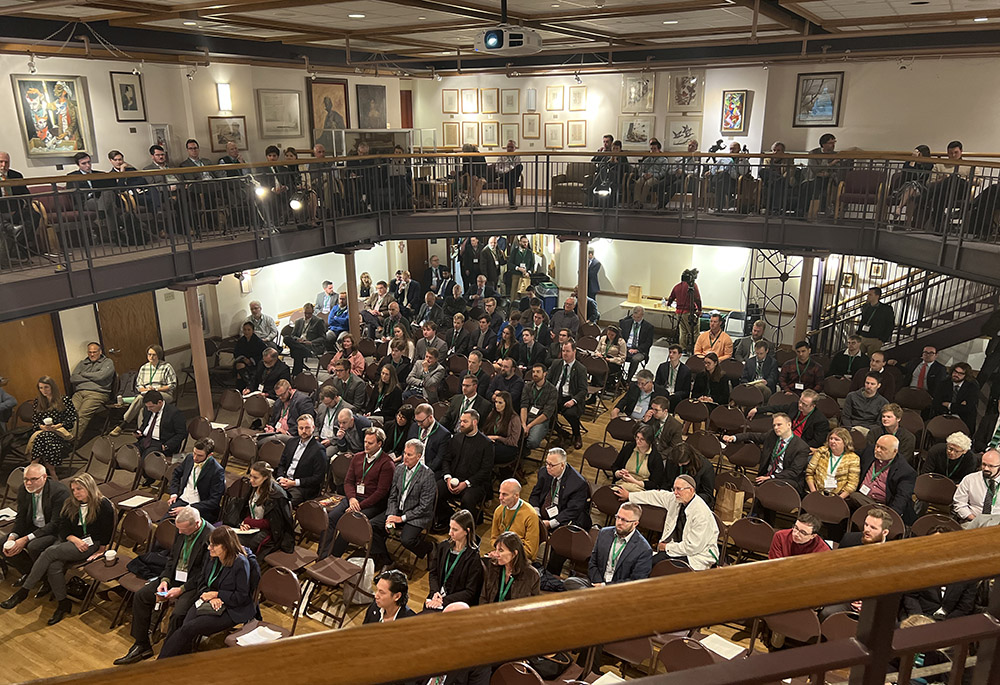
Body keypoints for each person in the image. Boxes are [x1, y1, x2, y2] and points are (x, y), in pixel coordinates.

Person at [1, 473, 114, 625]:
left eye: (79, 489)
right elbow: (63, 528)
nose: (75, 493)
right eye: (73, 489)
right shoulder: (70, 503)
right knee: (54, 565)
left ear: (89, 487)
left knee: (49, 552)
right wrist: (74, 539)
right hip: (72, 540)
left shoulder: (103, 505)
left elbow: (107, 531)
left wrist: (101, 551)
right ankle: (63, 603)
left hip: (90, 543)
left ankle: (24, 591)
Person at [113, 506, 215, 665]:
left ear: (196, 524)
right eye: (178, 529)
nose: (179, 533)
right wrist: (165, 580)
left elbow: (204, 574)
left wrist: (181, 590)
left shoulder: (210, 537)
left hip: (194, 584)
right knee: (141, 596)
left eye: (183, 530)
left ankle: (171, 654)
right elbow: (172, 558)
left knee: (178, 614)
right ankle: (142, 644)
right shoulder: (181, 529)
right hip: (175, 576)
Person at [157, 526, 258, 658]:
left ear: (226, 546)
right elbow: (202, 582)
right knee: (186, 626)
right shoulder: (212, 558)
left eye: (214, 545)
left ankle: (161, 662)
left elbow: (241, 596)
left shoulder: (240, 563)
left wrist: (218, 594)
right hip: (209, 600)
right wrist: (211, 596)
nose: (209, 548)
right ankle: (177, 660)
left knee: (188, 628)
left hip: (232, 608)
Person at [321, 427, 395, 558]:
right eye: (365, 441)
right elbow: (348, 482)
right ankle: (322, 555)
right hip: (353, 499)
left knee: (350, 522)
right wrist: (352, 499)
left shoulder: (387, 463)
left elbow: (381, 492)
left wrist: (360, 506)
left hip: (373, 504)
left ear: (379, 444)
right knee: (331, 518)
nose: (366, 445)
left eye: (370, 443)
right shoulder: (358, 457)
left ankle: (333, 557)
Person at [620, 475, 719, 570]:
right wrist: (630, 496)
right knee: (644, 561)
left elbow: (692, 547)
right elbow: (655, 495)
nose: (675, 493)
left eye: (679, 489)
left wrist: (667, 547)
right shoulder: (676, 499)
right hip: (678, 547)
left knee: (655, 565)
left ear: (691, 490)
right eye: (674, 489)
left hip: (697, 554)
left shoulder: (701, 514)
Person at [371, 438, 438, 568]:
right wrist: (391, 515)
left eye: (409, 455)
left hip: (417, 515)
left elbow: (424, 507)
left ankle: (429, 548)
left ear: (419, 456)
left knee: (407, 540)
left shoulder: (428, 475)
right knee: (372, 526)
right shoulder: (399, 469)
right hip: (398, 510)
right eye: (404, 453)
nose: (405, 457)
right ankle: (387, 562)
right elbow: (392, 496)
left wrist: (401, 519)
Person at [2, 464, 70, 581]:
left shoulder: (59, 492)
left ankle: (47, 578)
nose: (28, 483)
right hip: (34, 526)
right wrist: (12, 537)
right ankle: (32, 573)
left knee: (34, 546)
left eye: (33, 479)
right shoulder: (23, 490)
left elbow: (55, 524)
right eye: (26, 479)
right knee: (2, 543)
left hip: (55, 530)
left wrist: (25, 539)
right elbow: (21, 518)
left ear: (44, 477)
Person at [724, 413, 811, 495]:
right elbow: (752, 436)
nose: (776, 428)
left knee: (766, 486)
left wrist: (771, 477)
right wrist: (734, 437)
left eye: (779, 425)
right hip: (767, 475)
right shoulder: (772, 435)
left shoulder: (801, 447)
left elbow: (794, 472)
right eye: (774, 425)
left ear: (789, 425)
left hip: (787, 479)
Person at [436, 410, 494, 527]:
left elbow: (485, 470)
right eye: (461, 421)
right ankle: (449, 517)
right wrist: (448, 477)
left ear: (474, 422)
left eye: (465, 422)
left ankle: (467, 527)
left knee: (467, 499)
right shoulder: (456, 438)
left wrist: (466, 483)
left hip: (474, 483)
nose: (461, 424)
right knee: (435, 491)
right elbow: (446, 460)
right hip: (453, 478)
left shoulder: (486, 444)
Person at [228, 461, 294, 558]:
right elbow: (248, 509)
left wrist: (249, 522)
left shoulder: (276, 495)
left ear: (265, 477)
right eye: (250, 476)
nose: (251, 480)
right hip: (252, 527)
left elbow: (273, 524)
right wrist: (244, 523)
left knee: (236, 544)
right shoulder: (254, 487)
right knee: (227, 537)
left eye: (255, 477)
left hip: (268, 533)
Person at [424, 509, 485, 611]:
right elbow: (433, 573)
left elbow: (470, 592)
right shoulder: (443, 547)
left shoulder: (473, 558)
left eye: (455, 530)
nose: (450, 533)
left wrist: (444, 600)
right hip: (437, 596)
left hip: (455, 603)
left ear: (467, 531)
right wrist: (435, 592)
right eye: (450, 528)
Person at [113, 344, 177, 435]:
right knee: (143, 408)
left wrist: (156, 389)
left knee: (140, 399)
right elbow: (139, 386)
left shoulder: (166, 367)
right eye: (149, 354)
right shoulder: (144, 368)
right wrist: (146, 390)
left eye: (153, 355)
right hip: (147, 393)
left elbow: (172, 385)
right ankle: (141, 431)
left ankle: (123, 423)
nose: (151, 357)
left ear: (158, 355)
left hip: (163, 393)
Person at [855, 435, 917, 522]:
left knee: (854, 496)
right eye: (877, 446)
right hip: (860, 501)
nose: (878, 450)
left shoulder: (905, 471)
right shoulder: (869, 452)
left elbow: (901, 499)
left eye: (883, 449)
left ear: (895, 451)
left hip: (884, 507)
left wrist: (888, 518)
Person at [587, 503, 652, 586]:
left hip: (619, 590)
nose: (619, 522)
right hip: (596, 584)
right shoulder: (604, 533)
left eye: (625, 520)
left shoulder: (643, 549)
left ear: (635, 523)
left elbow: (635, 581)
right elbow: (593, 562)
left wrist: (605, 587)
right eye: (618, 517)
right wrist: (598, 584)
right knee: (571, 582)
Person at [166, 438, 226, 522]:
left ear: (210, 455)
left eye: (199, 455)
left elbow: (214, 501)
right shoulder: (189, 458)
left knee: (182, 528)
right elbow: (176, 474)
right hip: (182, 500)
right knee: (165, 524)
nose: (195, 458)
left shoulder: (217, 471)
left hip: (199, 507)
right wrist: (174, 494)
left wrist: (188, 509)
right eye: (194, 453)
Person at [273, 415, 325, 507]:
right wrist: (280, 478)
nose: (304, 431)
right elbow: (281, 464)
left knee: (283, 504)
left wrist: (294, 483)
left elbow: (318, 478)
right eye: (301, 428)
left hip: (302, 488)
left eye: (307, 428)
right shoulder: (291, 442)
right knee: (265, 495)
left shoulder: (319, 450)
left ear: (313, 428)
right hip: (284, 481)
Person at [749, 389, 830, 449]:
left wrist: (799, 447)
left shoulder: (820, 421)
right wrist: (757, 410)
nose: (800, 405)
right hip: (784, 438)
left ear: (813, 405)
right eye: (800, 401)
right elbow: (776, 408)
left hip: (798, 445)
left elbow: (816, 442)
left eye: (804, 404)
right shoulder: (794, 406)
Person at [68, 342, 115, 443]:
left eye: (94, 352)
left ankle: (72, 441)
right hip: (79, 393)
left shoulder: (107, 362)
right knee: (70, 412)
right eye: (90, 352)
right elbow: (73, 378)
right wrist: (93, 377)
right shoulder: (82, 363)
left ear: (100, 352)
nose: (92, 355)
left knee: (82, 414)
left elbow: (101, 376)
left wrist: (84, 374)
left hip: (97, 393)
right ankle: (64, 436)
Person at [28, 376, 77, 471]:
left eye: (46, 387)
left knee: (44, 439)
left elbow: (72, 418)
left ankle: (33, 465)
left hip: (60, 431)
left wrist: (58, 425)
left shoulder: (64, 400)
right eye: (41, 388)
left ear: (52, 387)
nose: (43, 390)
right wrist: (42, 426)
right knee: (46, 438)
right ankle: (52, 471)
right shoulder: (38, 401)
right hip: (44, 432)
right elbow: (35, 421)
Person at [547, 341, 588, 451]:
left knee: (571, 414)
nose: (565, 353)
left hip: (570, 397)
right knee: (545, 413)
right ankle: (562, 433)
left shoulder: (580, 369)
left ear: (574, 352)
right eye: (563, 351)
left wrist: (573, 400)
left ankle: (577, 434)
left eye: (568, 351)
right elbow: (548, 381)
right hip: (555, 397)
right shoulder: (556, 363)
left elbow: (583, 390)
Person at [481, 531, 540, 603]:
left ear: (514, 553)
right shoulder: (492, 567)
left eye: (501, 550)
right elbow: (483, 598)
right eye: (496, 549)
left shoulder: (532, 575)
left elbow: (533, 607)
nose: (496, 554)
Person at [805, 427, 860, 499]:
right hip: (817, 492)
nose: (832, 441)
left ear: (845, 442)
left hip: (838, 496)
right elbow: (809, 473)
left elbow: (852, 484)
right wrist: (814, 493)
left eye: (837, 439)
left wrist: (838, 499)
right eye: (831, 438)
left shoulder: (853, 458)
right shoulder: (821, 451)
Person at [133, 390, 186, 461]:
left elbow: (181, 433)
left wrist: (166, 446)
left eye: (151, 407)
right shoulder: (147, 410)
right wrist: (139, 431)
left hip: (161, 443)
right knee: (129, 451)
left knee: (146, 458)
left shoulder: (174, 413)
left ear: (160, 402)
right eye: (147, 407)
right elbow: (145, 425)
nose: (149, 409)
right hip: (145, 440)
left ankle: (141, 471)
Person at [955, 449, 1000, 528]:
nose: (986, 468)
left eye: (991, 466)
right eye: (984, 464)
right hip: (972, 522)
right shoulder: (970, 479)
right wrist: (974, 519)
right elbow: (959, 503)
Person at [663, 441, 715, 506]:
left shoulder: (705, 467)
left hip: (693, 502)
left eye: (682, 463)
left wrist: (689, 497)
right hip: (672, 499)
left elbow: (708, 495)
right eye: (678, 463)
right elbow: (666, 482)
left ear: (690, 458)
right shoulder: (672, 460)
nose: (679, 465)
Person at [932, 362, 979, 434]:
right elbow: (936, 403)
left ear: (966, 376)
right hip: (944, 415)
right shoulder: (943, 383)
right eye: (955, 372)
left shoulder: (972, 387)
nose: (956, 375)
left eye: (960, 374)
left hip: (963, 419)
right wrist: (959, 406)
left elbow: (968, 408)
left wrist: (949, 405)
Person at [521, 363, 558, 450]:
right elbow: (524, 406)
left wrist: (529, 426)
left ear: (545, 373)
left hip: (540, 420)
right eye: (533, 372)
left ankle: (523, 451)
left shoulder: (552, 390)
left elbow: (546, 414)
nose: (535, 374)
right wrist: (523, 424)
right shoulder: (528, 386)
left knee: (533, 442)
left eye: (538, 372)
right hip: (526, 417)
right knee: (514, 435)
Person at [483, 391, 522, 471]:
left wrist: (497, 437)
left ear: (507, 403)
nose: (497, 405)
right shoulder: (493, 414)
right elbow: (485, 430)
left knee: (486, 453)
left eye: (500, 403)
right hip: (492, 444)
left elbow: (513, 442)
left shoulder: (514, 418)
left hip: (508, 448)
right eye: (496, 402)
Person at [408, 403, 452, 474]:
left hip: (427, 469)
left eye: (421, 421)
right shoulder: (414, 427)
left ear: (430, 417)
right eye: (417, 421)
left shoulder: (443, 434)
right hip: (410, 465)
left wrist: (422, 471)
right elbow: (407, 446)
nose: (419, 424)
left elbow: (438, 459)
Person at [284, 303, 325, 376]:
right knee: (286, 338)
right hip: (300, 344)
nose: (307, 315)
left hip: (311, 345)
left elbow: (323, 337)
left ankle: (296, 375)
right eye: (305, 313)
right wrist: (297, 339)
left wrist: (311, 342)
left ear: (313, 312)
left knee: (297, 352)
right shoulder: (298, 321)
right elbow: (293, 335)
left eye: (309, 313)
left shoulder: (318, 321)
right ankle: (297, 375)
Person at [667, 269, 702, 355]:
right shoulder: (693, 286)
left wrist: (669, 304)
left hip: (679, 313)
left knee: (683, 332)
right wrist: (700, 310)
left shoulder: (677, 286)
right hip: (689, 312)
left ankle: (683, 349)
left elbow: (671, 297)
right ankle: (696, 350)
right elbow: (697, 299)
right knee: (694, 332)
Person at [619, 306, 654, 381]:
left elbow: (648, 343)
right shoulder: (625, 323)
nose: (636, 319)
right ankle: (620, 379)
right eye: (634, 317)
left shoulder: (649, 327)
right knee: (615, 354)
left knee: (635, 359)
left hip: (639, 350)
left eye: (638, 317)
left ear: (642, 315)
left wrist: (637, 350)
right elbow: (620, 337)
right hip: (626, 347)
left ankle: (628, 379)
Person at [857, 286, 895, 355]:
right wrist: (859, 333)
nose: (868, 296)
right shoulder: (866, 306)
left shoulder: (886, 309)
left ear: (877, 296)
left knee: (872, 357)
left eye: (870, 295)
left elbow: (890, 324)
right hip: (863, 336)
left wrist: (883, 338)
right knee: (858, 357)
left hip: (875, 338)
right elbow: (863, 320)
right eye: (868, 294)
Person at [654, 344, 693, 411]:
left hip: (676, 395)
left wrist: (675, 394)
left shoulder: (686, 371)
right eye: (670, 352)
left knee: (674, 399)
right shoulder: (662, 366)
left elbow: (686, 391)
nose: (671, 355)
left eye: (674, 353)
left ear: (680, 355)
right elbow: (657, 383)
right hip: (664, 392)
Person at [233, 322, 267, 390]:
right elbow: (236, 353)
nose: (246, 332)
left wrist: (251, 360)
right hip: (242, 361)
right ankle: (247, 385)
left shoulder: (258, 341)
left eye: (248, 330)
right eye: (244, 330)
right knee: (239, 367)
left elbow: (263, 354)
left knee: (240, 374)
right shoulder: (241, 341)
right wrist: (243, 358)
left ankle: (249, 386)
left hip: (255, 363)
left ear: (253, 331)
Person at [493, 140, 523, 209]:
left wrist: (511, 172)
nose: (509, 148)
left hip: (512, 177)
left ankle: (512, 202)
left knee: (520, 166)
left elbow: (518, 169)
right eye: (508, 147)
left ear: (514, 148)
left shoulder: (517, 157)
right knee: (509, 178)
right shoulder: (502, 156)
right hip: (503, 175)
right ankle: (512, 202)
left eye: (511, 147)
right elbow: (497, 169)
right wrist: (505, 171)